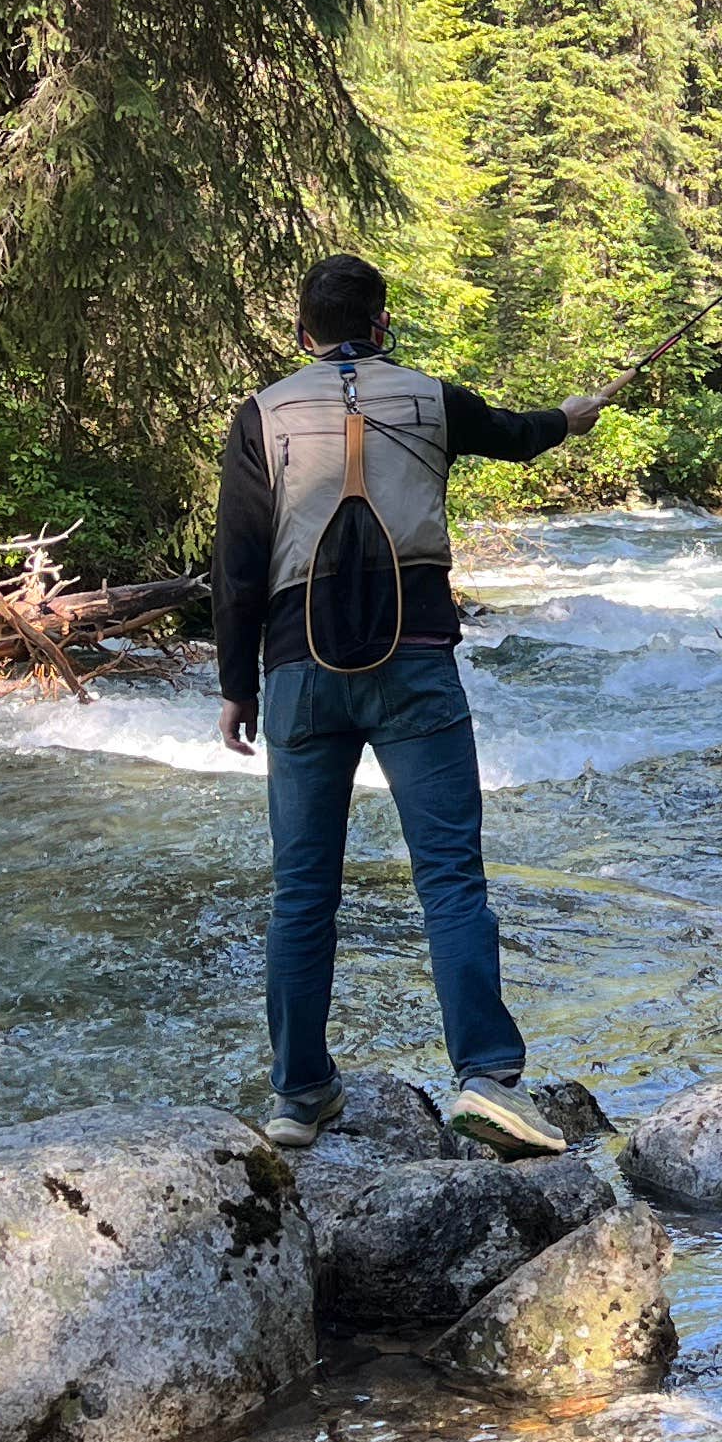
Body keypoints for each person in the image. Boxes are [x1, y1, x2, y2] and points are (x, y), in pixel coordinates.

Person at [214, 252, 607, 1154]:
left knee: (302, 891)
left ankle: (299, 1095)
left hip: (300, 669)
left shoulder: (262, 413)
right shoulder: (434, 398)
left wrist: (237, 686)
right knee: (450, 878)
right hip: (417, 662)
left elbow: (236, 565)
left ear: (302, 334)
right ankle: (486, 1080)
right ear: (382, 324)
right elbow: (519, 434)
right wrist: (572, 417)